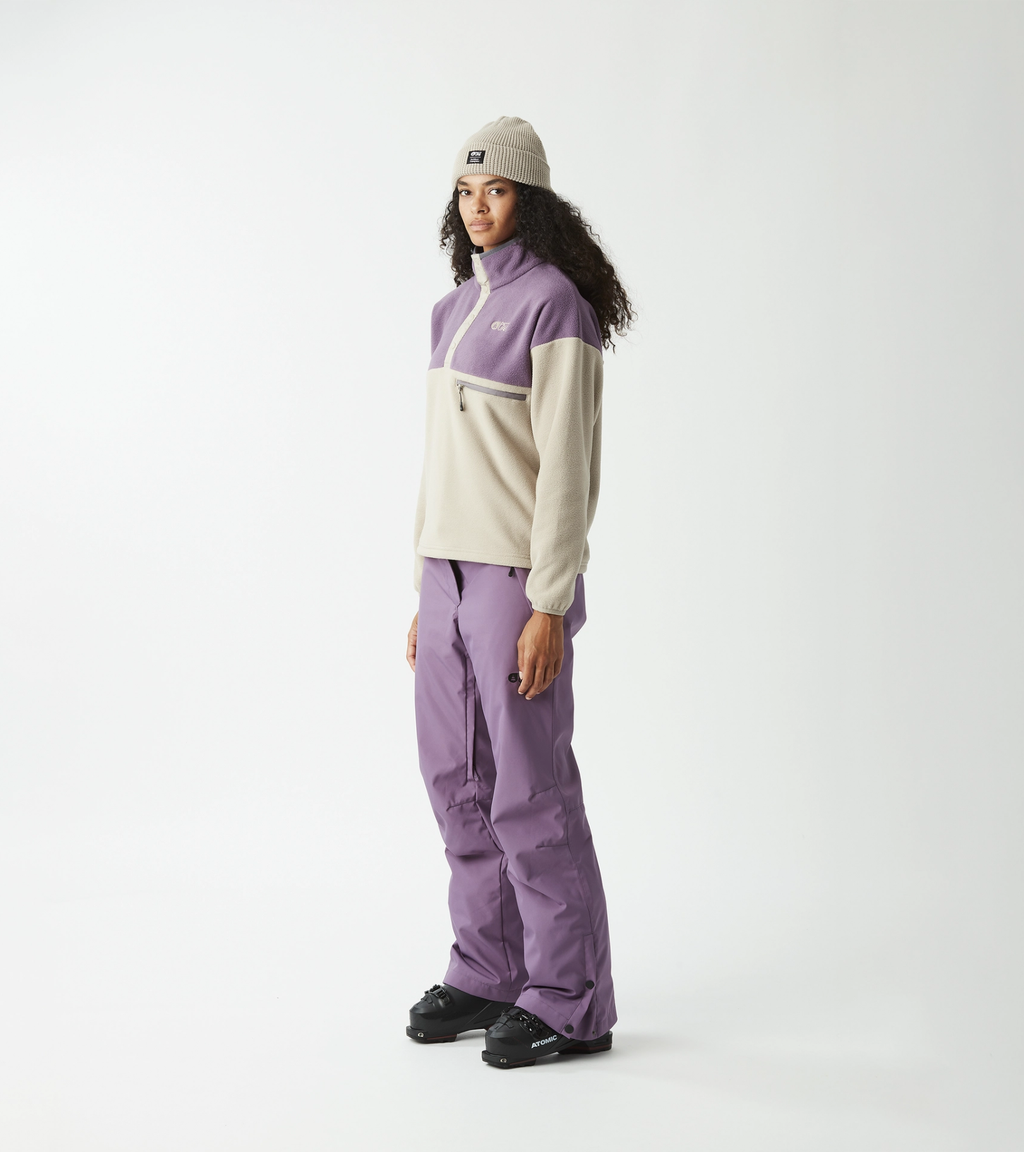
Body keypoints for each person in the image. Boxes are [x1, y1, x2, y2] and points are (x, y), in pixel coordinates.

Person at [404, 116, 634, 1070]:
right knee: (455, 782)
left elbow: (567, 471)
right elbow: (446, 463)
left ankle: (571, 999)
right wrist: (425, 586)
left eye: (495, 190)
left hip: (512, 581)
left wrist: (549, 602)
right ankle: (489, 966)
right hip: (445, 577)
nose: (479, 207)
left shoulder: (555, 309)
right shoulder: (451, 311)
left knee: (529, 790)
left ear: (528, 199)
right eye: (466, 192)